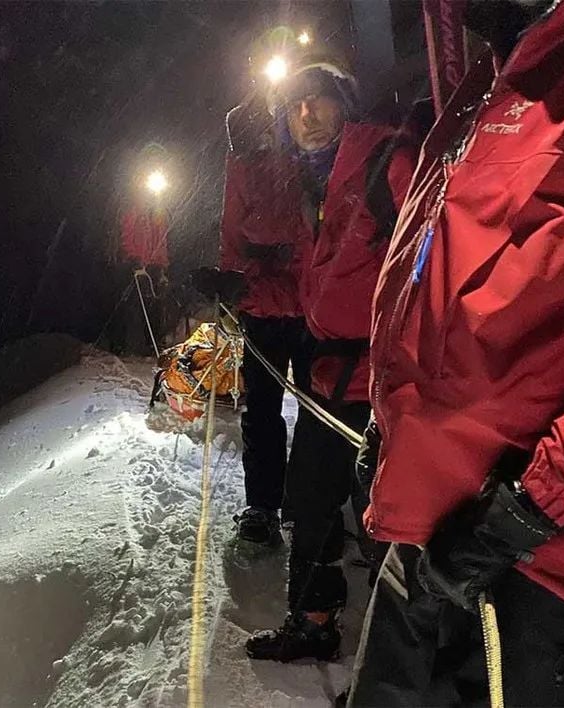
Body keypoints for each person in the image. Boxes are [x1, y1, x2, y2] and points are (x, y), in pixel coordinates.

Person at [345, 0, 564, 704]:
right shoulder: (498, 71)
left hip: (548, 564)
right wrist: (392, 425)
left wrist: (529, 507)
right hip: (435, 535)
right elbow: (442, 283)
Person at [246, 54, 416, 662]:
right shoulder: (310, 187)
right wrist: (243, 293)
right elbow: (312, 287)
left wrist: (399, 361)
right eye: (293, 106)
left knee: (388, 524)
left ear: (346, 104)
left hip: (383, 378)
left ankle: (399, 665)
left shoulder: (385, 164)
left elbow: (428, 268)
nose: (306, 114)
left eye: (317, 98)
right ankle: (315, 622)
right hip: (329, 372)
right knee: (312, 502)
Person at [216, 92, 314, 546]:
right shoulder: (242, 168)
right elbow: (232, 233)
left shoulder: (305, 155)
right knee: (263, 408)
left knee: (321, 407)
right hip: (265, 301)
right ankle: (264, 503)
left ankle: (313, 501)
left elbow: (312, 231)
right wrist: (234, 286)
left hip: (310, 300)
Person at [110, 200, 169, 355]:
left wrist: (161, 264)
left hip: (153, 263)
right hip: (133, 262)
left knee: (154, 303)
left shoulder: (158, 211)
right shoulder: (133, 209)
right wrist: (131, 256)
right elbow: (126, 233)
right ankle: (118, 344)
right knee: (126, 302)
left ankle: (153, 343)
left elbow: (161, 238)